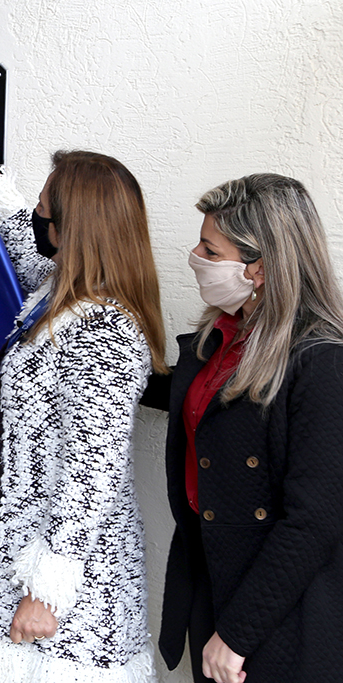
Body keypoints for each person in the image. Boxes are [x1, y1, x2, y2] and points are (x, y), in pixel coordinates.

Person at [0, 120, 167, 682]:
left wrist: (47, 590)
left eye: (47, 210)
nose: (39, 218)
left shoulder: (107, 331)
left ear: (76, 227)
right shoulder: (63, 293)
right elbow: (26, 246)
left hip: (75, 595)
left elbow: (91, 471)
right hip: (24, 552)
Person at [143, 174, 343, 683]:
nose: (194, 254)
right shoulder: (224, 336)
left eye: (210, 249)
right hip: (215, 579)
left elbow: (314, 521)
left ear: (260, 267)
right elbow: (194, 405)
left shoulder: (321, 361)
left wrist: (237, 634)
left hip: (279, 608)